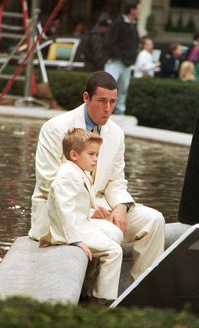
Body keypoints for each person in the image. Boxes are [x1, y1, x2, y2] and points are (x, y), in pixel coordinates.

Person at [29, 71, 165, 283]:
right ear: (86, 97)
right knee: (112, 233)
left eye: (112, 102)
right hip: (60, 211)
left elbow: (116, 180)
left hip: (103, 204)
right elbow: (48, 182)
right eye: (102, 101)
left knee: (154, 220)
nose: (108, 109)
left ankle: (138, 292)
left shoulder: (116, 133)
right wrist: (89, 209)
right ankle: (97, 299)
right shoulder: (55, 127)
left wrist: (121, 206)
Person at [41, 128, 123, 304]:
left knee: (114, 233)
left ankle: (88, 287)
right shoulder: (66, 176)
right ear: (74, 154)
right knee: (114, 251)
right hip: (69, 230)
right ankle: (101, 300)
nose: (96, 159)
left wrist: (93, 212)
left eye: (97, 154)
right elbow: (65, 210)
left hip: (81, 222)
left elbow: (79, 205)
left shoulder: (79, 171)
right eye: (91, 154)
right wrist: (75, 240)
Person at [104, 1, 140, 115]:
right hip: (115, 61)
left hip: (127, 63)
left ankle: (120, 111)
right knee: (108, 86)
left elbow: (135, 44)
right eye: (138, 9)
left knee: (123, 88)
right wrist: (120, 55)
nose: (139, 11)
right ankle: (102, 110)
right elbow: (109, 42)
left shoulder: (134, 24)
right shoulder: (118, 23)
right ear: (132, 10)